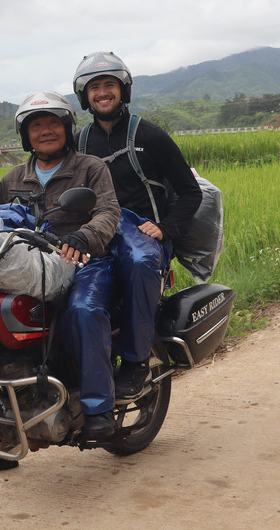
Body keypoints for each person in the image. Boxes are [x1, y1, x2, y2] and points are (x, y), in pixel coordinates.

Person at [0, 91, 121, 443]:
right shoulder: (13, 177)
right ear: (26, 135)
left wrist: (82, 236)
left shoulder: (90, 167)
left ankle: (98, 408)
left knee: (83, 311)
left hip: (86, 260)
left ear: (67, 129)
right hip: (30, 263)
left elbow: (108, 212)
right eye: (37, 125)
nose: (46, 131)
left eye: (53, 123)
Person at [72, 52, 203, 398]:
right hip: (98, 232)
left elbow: (190, 192)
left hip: (144, 233)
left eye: (109, 85)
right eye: (95, 87)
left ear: (123, 89)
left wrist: (166, 229)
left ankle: (136, 360)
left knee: (141, 262)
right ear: (85, 96)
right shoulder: (79, 142)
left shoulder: (151, 135)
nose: (102, 93)